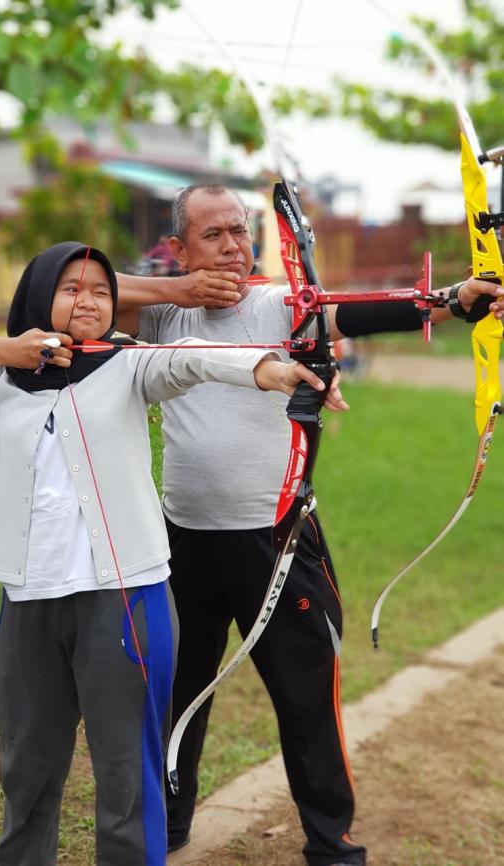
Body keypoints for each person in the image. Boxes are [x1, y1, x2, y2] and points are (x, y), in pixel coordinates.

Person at [0, 240, 347, 866]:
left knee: (128, 774)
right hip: (28, 601)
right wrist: (6, 349)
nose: (90, 301)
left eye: (102, 291)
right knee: (26, 769)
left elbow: (195, 359)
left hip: (126, 600)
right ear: (38, 293)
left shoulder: (131, 364)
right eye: (72, 288)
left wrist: (274, 368)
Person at [116, 185, 504, 866]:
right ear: (179, 247)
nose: (234, 246)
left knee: (305, 699)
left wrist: (451, 300)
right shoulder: (163, 319)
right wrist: (174, 290)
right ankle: (171, 824)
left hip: (276, 541)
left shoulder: (275, 304)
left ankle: (332, 845)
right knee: (179, 691)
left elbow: (350, 312)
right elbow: (77, 295)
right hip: (181, 542)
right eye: (214, 235)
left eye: (241, 231)